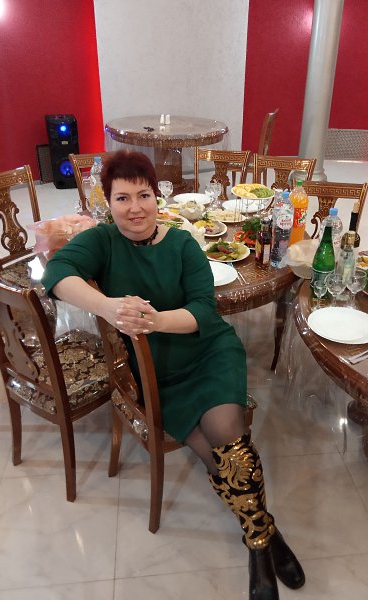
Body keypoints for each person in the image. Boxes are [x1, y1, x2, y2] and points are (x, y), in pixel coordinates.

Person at [42, 150, 305, 599]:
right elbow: (56, 272)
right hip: (156, 369)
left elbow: (204, 310)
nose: (135, 208)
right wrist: (108, 307)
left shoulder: (182, 243)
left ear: (157, 197)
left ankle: (258, 547)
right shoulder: (103, 241)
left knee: (228, 436)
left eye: (143, 195)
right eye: (122, 198)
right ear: (108, 202)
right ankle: (265, 530)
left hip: (207, 349)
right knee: (216, 453)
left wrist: (155, 320)